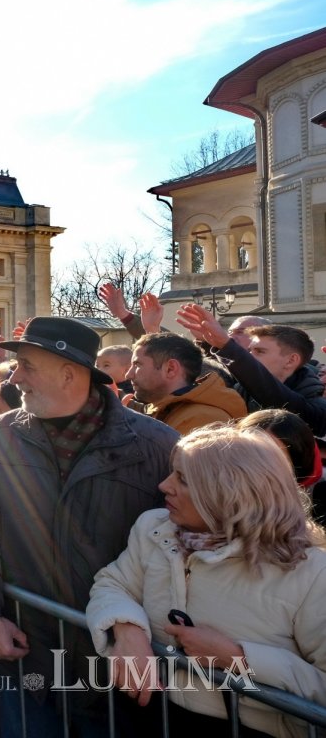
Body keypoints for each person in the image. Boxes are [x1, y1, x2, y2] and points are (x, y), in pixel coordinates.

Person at [0, 317, 179, 737]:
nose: (15, 378)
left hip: (115, 668)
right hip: (29, 656)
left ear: (69, 374)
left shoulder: (155, 445)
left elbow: (177, 547)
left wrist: (130, 624)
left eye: (27, 366)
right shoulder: (3, 434)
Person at [87, 426, 326, 736]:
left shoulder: (312, 572)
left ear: (233, 493)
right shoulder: (154, 528)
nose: (164, 485)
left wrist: (238, 658)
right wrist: (126, 629)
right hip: (151, 716)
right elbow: (113, 583)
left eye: (183, 479)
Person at [176, 308, 326, 434]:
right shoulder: (238, 390)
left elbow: (275, 397)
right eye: (249, 351)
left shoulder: (316, 405)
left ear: (291, 360)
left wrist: (226, 345)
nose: (250, 356)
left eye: (260, 351)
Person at [125, 332, 247, 435]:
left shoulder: (203, 420)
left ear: (170, 369)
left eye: (137, 364)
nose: (128, 375)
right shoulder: (167, 410)